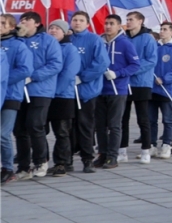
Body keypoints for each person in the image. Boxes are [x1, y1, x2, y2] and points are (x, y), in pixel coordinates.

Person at [14, 12, 62, 179]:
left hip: (40, 90)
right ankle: (23, 166)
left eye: (27, 20)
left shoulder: (47, 40)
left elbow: (55, 64)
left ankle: (41, 161)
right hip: (19, 91)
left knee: (35, 125)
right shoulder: (17, 41)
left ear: (36, 23)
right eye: (21, 20)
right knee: (19, 129)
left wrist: (33, 76)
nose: (23, 23)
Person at [67, 11, 109, 171]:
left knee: (85, 125)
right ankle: (66, 158)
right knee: (68, 126)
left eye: (81, 20)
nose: (77, 23)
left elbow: (102, 62)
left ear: (87, 23)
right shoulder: (67, 39)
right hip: (68, 91)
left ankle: (87, 159)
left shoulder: (94, 40)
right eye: (75, 20)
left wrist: (84, 77)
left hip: (87, 90)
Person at [46, 18, 88, 175]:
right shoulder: (48, 47)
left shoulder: (70, 49)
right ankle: (42, 160)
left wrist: (54, 91)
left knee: (62, 131)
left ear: (65, 32)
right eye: (51, 28)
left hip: (62, 96)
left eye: (57, 28)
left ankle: (62, 162)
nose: (53, 30)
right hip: (45, 94)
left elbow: (68, 74)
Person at [96, 14, 137, 168]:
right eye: (106, 23)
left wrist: (118, 74)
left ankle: (112, 156)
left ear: (119, 26)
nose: (108, 26)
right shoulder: (99, 43)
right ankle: (102, 154)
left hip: (117, 90)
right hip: (100, 89)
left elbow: (135, 65)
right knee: (100, 125)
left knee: (114, 125)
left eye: (111, 23)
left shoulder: (125, 44)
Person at [1, 14, 35, 185]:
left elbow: (25, 69)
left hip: (10, 95)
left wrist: (4, 80)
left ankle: (7, 168)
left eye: (2, 23)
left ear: (11, 27)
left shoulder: (18, 46)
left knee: (3, 134)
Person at [121, 11, 159, 163]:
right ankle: (122, 150)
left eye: (131, 19)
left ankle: (146, 150)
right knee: (122, 118)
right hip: (125, 83)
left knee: (143, 118)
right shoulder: (123, 38)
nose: (128, 22)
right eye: (127, 19)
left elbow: (151, 60)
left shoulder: (147, 39)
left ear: (140, 21)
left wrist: (131, 69)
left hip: (141, 83)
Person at [153, 22, 172, 157]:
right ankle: (151, 145)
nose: (162, 31)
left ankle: (166, 145)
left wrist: (165, 79)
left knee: (167, 119)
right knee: (150, 119)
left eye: (165, 29)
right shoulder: (155, 46)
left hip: (167, 89)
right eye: (161, 29)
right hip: (152, 89)